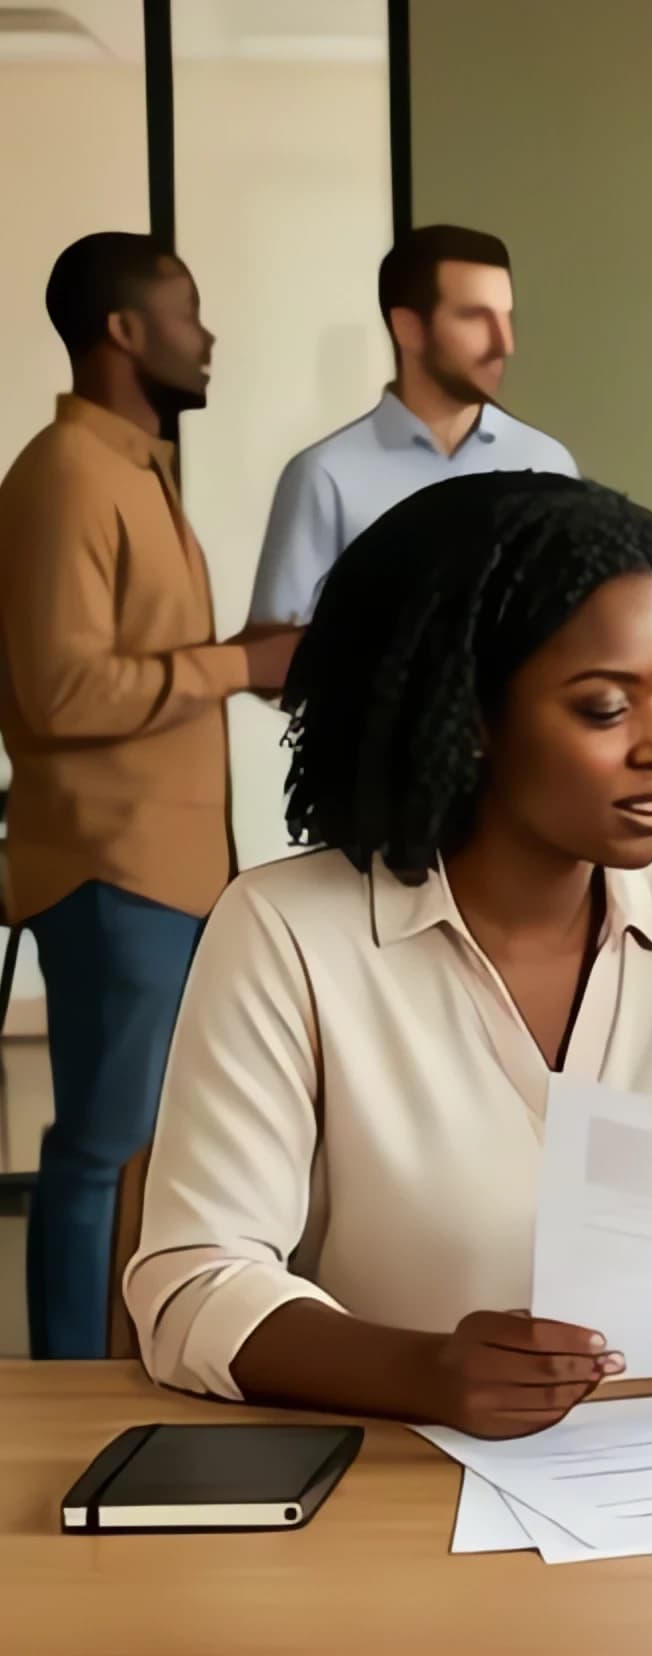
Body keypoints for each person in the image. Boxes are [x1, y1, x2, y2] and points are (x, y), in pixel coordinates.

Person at [126, 472, 652, 1434]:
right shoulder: (286, 929)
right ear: (466, 724)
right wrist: (423, 1373)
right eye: (602, 709)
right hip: (399, 1504)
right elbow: (193, 1285)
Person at [0, 231, 300, 1360]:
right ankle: (62, 1386)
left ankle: (113, 1367)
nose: (207, 333)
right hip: (110, 868)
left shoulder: (128, 469)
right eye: (187, 308)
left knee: (137, 1147)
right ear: (123, 330)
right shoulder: (67, 476)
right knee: (100, 1145)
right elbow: (63, 686)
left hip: (162, 873)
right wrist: (242, 662)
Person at [247, 224, 578, 627]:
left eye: (506, 317)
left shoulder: (548, 463)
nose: (504, 344)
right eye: (476, 317)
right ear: (408, 328)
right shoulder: (325, 475)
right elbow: (274, 658)